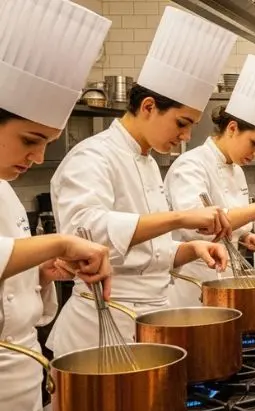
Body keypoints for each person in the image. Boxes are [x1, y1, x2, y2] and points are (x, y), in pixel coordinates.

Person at [48, 7, 238, 357]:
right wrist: (181, 218)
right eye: (181, 123)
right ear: (148, 106)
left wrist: (189, 249)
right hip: (100, 327)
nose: (184, 137)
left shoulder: (149, 163)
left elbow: (150, 256)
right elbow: (83, 231)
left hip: (152, 317)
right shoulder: (93, 156)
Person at [0, 0, 113, 411]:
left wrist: (42, 273)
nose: (39, 156)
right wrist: (61, 243)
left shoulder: (6, 192)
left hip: (24, 380)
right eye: (31, 139)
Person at [165, 55, 255, 307]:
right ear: (231, 128)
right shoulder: (190, 165)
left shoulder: (236, 170)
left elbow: (229, 220)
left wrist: (241, 237)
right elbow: (199, 224)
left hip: (229, 279)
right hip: (195, 287)